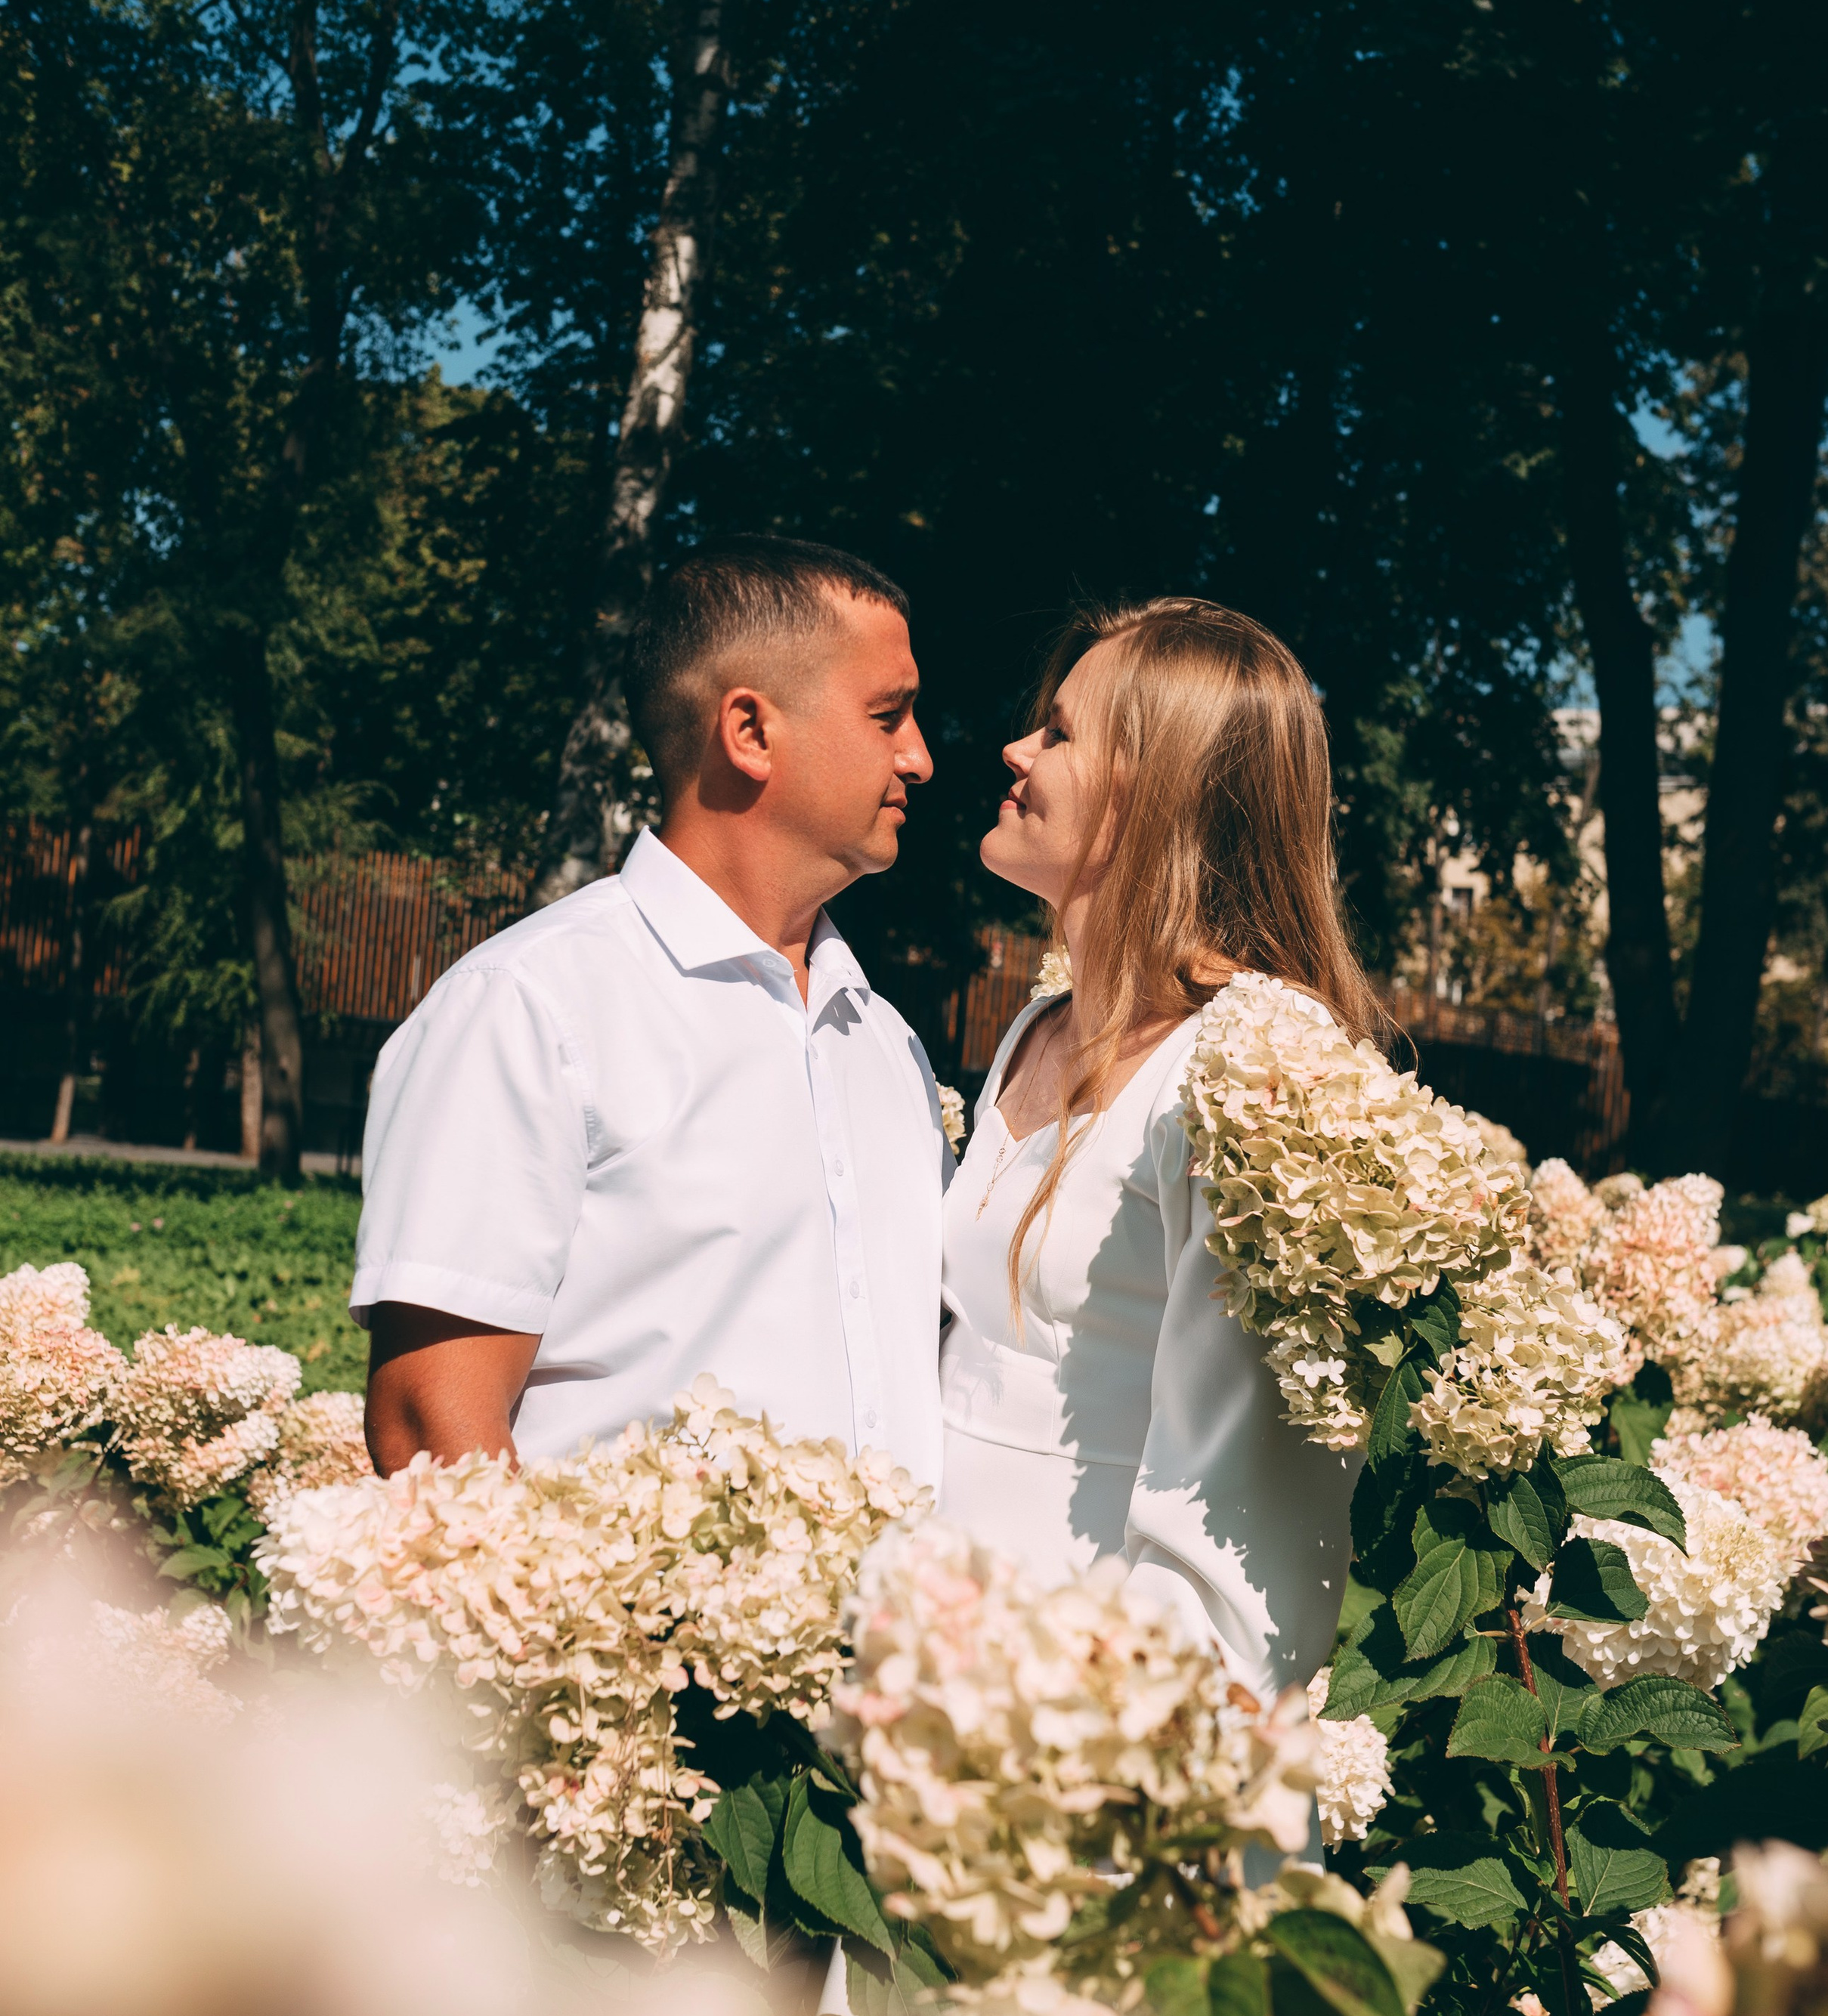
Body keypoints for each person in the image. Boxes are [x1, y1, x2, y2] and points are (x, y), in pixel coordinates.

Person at [354, 536, 952, 1483]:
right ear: (749, 731)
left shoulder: (886, 1042)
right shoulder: (527, 1010)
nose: (919, 756)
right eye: (889, 715)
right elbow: (430, 1426)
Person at [939, 595, 1375, 1696]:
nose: (1014, 748)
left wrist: (1099, 1748)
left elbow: (1242, 1524)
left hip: (1087, 1713)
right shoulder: (1038, 1026)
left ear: (1157, 791)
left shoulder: (1250, 1066)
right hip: (936, 1656)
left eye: (1060, 732)